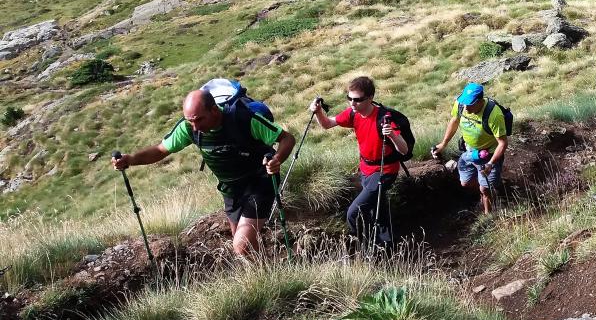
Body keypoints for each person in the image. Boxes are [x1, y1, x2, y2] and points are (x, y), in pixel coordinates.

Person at [112, 89, 295, 256]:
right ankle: (266, 273)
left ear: (214, 110)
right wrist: (132, 159)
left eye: (199, 119)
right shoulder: (189, 128)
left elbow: (287, 138)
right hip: (230, 190)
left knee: (242, 244)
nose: (195, 127)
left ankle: (264, 281)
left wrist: (277, 159)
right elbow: (161, 150)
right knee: (242, 244)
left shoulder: (245, 119)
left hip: (259, 182)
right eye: (190, 121)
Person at [309, 76, 412, 248]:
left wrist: (392, 135)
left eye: (357, 100)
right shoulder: (353, 113)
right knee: (377, 207)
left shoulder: (384, 118)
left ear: (370, 98)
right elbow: (327, 124)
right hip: (365, 168)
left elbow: (404, 150)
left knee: (353, 213)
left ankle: (365, 247)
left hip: (384, 171)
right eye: (349, 98)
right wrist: (318, 112)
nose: (352, 103)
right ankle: (387, 244)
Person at [431, 83, 511, 214]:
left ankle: (488, 214)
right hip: (470, 151)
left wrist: (490, 164)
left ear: (480, 101)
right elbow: (454, 121)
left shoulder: (494, 115)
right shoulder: (461, 104)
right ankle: (485, 191)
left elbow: (502, 143)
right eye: (465, 104)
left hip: (489, 154)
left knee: (485, 189)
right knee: (465, 183)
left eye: (470, 104)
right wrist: (443, 143)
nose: (466, 108)